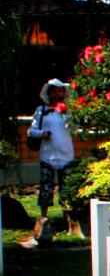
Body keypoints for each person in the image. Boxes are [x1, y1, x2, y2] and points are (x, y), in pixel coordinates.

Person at [27, 79, 74, 222]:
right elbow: (31, 130)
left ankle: (67, 219)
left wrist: (70, 114)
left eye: (59, 91)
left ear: (64, 93)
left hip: (65, 153)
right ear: (48, 94)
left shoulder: (69, 110)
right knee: (46, 185)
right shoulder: (41, 110)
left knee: (66, 187)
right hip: (47, 154)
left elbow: (76, 127)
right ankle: (44, 218)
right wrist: (42, 134)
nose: (56, 94)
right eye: (53, 91)